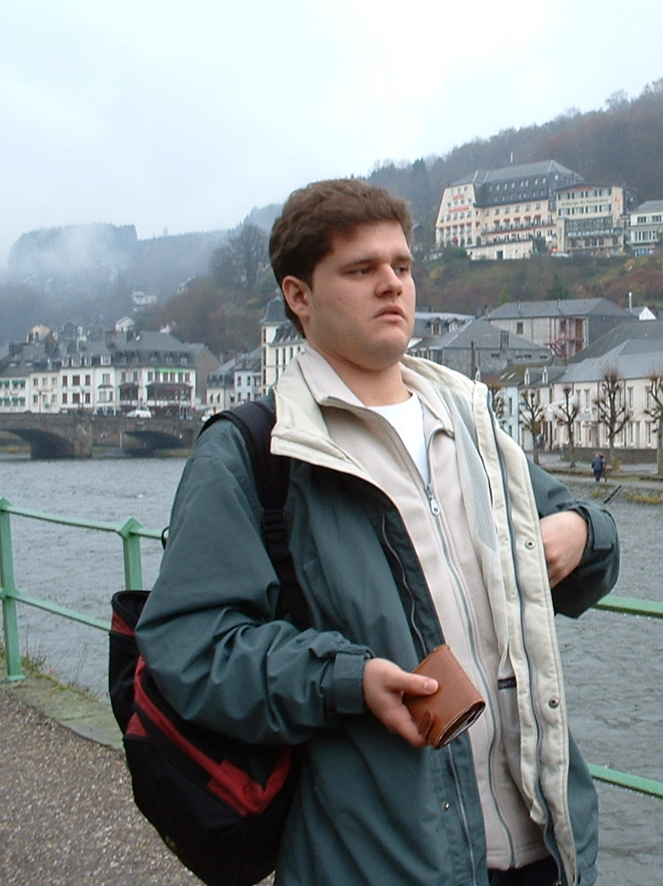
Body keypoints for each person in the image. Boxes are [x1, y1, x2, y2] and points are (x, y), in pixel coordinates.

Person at [136, 179, 619, 886]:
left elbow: (593, 551)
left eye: (401, 265)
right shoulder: (256, 451)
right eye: (361, 269)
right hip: (383, 859)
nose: (392, 284)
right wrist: (344, 680)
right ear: (299, 296)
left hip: (549, 845)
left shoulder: (471, 422)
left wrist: (582, 530)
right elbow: (191, 646)